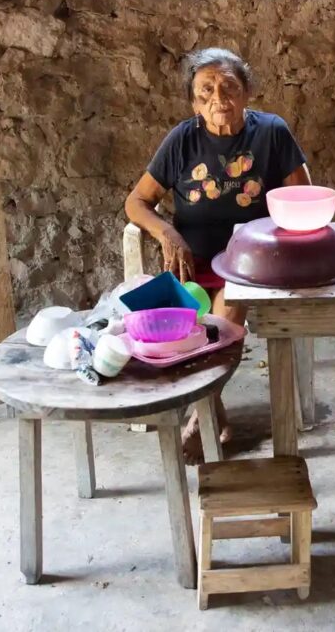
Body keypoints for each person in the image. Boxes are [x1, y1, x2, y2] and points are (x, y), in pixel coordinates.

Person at [126, 48, 311, 457]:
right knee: (179, 318)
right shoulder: (182, 139)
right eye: (205, 91)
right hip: (190, 262)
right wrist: (167, 232)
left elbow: (302, 197)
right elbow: (136, 202)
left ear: (246, 92)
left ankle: (204, 410)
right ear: (193, 102)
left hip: (250, 264)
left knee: (223, 311)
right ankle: (211, 407)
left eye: (229, 87)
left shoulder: (271, 133)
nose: (218, 98)